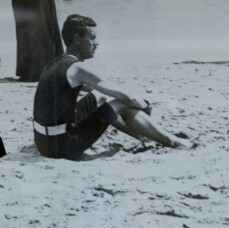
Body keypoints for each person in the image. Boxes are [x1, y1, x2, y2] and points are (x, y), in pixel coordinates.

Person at [33, 14, 189, 160]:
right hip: (62, 148)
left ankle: (143, 137)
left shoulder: (54, 64)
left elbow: (74, 89)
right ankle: (172, 141)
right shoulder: (77, 68)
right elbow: (126, 97)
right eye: (92, 38)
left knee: (100, 97)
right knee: (121, 102)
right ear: (77, 40)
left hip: (43, 142)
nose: (96, 43)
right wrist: (144, 105)